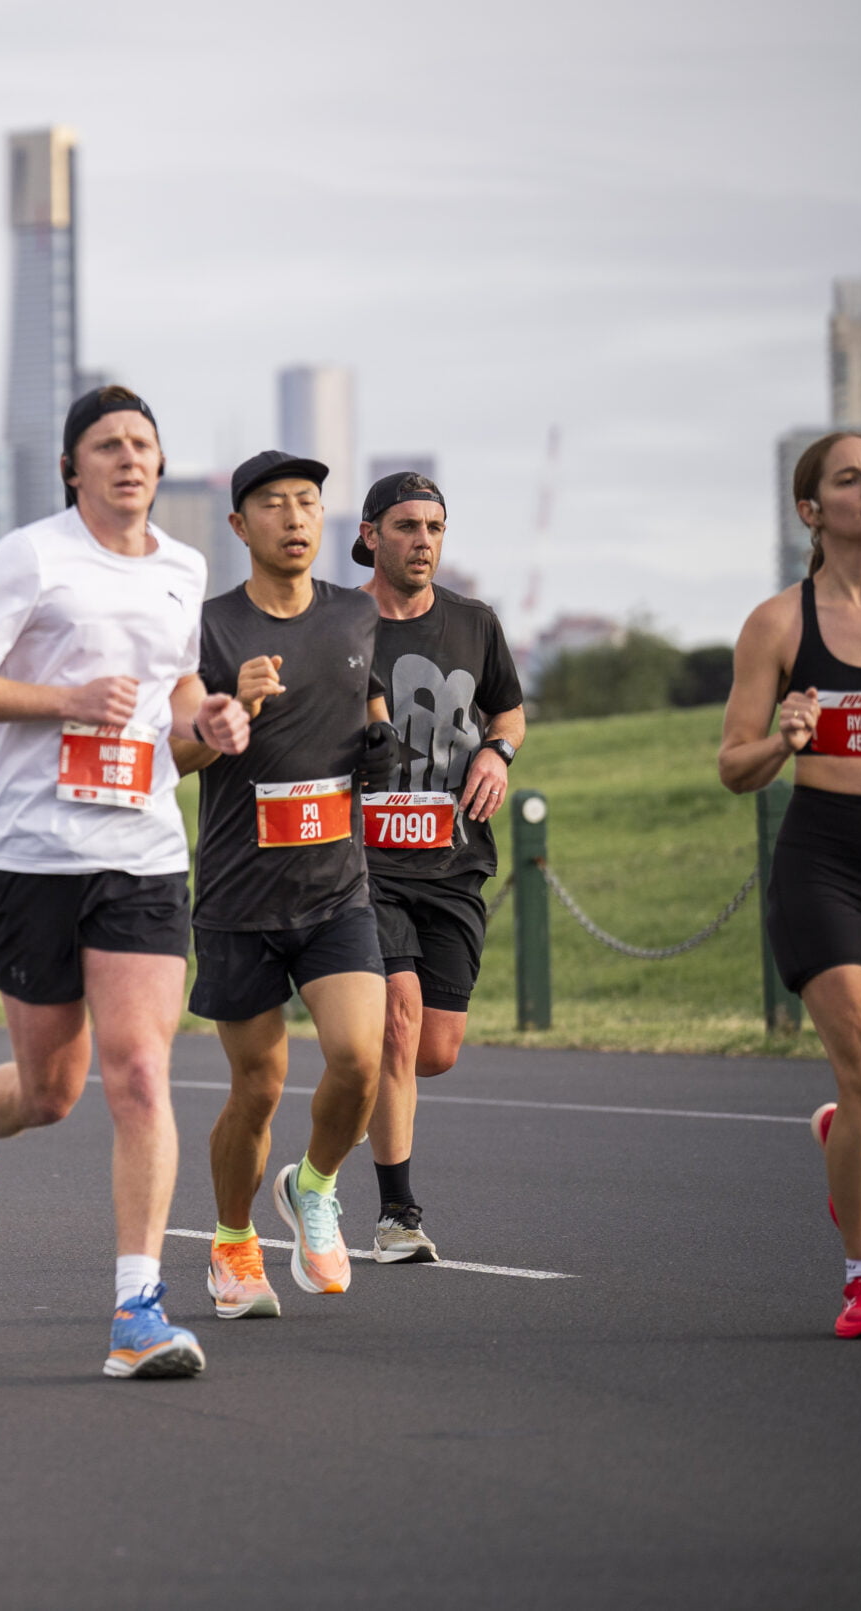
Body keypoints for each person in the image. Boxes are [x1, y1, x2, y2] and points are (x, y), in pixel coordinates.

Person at [0, 386, 248, 1378]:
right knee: (52, 1091)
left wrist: (211, 725)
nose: (129, 459)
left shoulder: (185, 569)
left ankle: (136, 1311)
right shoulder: (31, 557)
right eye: (107, 446)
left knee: (139, 1071)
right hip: (31, 851)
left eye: (143, 444)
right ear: (73, 467)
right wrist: (62, 698)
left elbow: (177, 694)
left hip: (142, 848)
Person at [172, 450, 396, 1321]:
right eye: (274, 505)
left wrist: (377, 735)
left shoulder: (353, 612)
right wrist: (235, 708)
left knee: (360, 1059)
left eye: (308, 502)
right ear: (240, 527)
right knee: (259, 1085)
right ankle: (232, 1244)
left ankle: (315, 1183)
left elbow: (364, 689)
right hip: (237, 896)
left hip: (337, 884)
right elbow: (181, 752)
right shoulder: (210, 628)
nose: (296, 517)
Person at [720, 428, 861, 1339]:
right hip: (826, 858)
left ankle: (849, 1149)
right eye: (848, 480)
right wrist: (783, 739)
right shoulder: (780, 624)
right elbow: (732, 766)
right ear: (810, 510)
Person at [350, 471, 525, 1263]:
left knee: (433, 1049)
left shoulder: (475, 623)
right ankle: (396, 1216)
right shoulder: (337, 624)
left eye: (435, 527)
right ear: (371, 533)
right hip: (363, 862)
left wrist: (499, 751)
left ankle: (329, 1136)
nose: (423, 540)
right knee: (397, 1021)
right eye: (408, 525)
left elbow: (508, 709)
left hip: (454, 861)